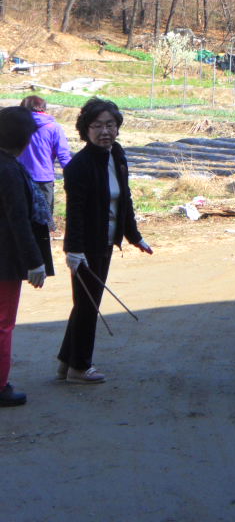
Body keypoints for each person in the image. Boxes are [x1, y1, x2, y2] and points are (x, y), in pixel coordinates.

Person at [59, 98, 153, 384]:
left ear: (118, 127)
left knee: (86, 302)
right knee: (88, 305)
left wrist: (134, 236)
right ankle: (79, 368)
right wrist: (74, 251)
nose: (105, 132)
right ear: (85, 129)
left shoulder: (117, 155)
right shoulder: (79, 166)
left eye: (110, 125)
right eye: (97, 126)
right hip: (86, 246)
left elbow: (124, 199)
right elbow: (73, 212)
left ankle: (66, 362)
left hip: (106, 243)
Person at [0, 107, 50, 406]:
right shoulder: (9, 170)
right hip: (4, 262)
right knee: (3, 324)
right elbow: (18, 221)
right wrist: (35, 262)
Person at [17, 95, 72, 216]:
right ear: (43, 108)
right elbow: (63, 156)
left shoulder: (17, 126)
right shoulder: (54, 128)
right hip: (44, 179)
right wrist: (73, 176)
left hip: (19, 178)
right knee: (45, 221)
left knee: (20, 219)